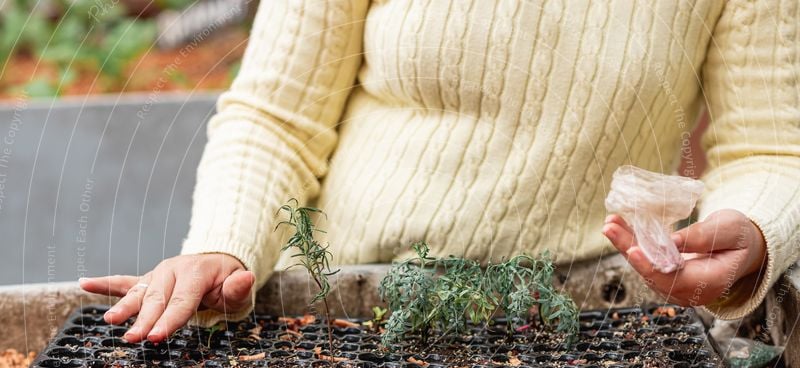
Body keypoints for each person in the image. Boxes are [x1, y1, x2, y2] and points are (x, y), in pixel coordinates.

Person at [80, 0, 800, 344]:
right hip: (341, 310)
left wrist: (754, 231)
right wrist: (223, 244)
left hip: (590, 324)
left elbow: (773, 148)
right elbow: (276, 116)